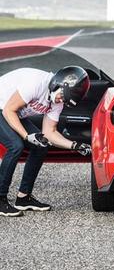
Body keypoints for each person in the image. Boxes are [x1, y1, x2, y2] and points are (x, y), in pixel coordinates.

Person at [0, 66, 92, 217]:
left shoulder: (57, 102)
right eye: (62, 96)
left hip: (13, 112)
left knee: (41, 146)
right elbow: (9, 110)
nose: (60, 100)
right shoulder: (36, 83)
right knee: (15, 146)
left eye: (64, 100)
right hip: (4, 109)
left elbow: (50, 133)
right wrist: (26, 136)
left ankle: (23, 198)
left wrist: (75, 145)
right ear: (58, 84)